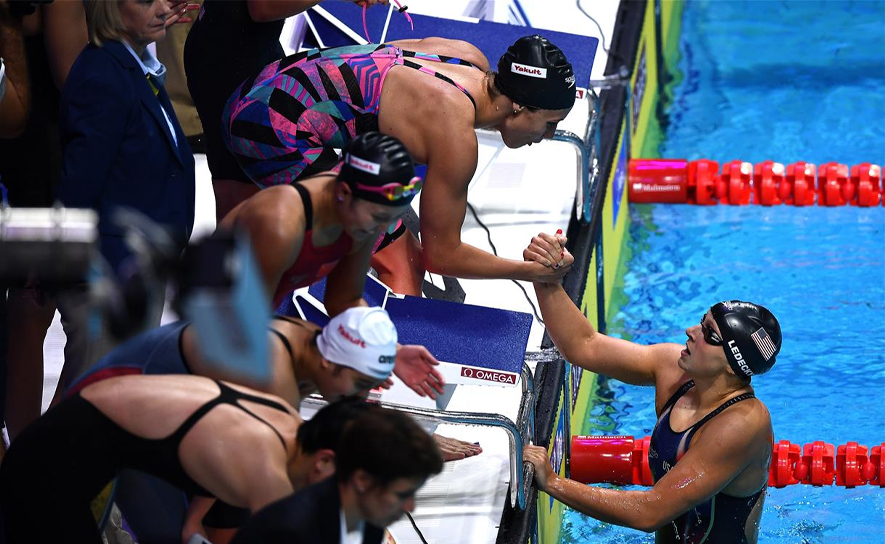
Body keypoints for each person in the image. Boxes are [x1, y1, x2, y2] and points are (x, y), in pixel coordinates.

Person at [224, 35, 577, 294]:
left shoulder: (468, 58)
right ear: (519, 106)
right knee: (403, 265)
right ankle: (379, 388)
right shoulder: (454, 135)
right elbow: (441, 256)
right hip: (272, 131)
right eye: (549, 123)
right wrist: (528, 271)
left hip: (258, 85)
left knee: (384, 218)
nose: (548, 135)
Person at [521, 233, 782, 544]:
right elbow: (585, 346)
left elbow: (649, 513)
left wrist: (553, 483)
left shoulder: (743, 424)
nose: (691, 331)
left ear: (732, 363)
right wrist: (545, 277)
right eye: (702, 321)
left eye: (708, 333)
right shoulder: (674, 368)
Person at [0, 375, 388, 543]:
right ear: (325, 462)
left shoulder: (283, 422)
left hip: (77, 450)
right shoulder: (263, 472)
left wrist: (193, 521)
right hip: (46, 475)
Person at [218, 131, 454, 402]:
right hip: (211, 331)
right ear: (343, 193)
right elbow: (236, 327)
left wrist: (388, 351)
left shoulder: (358, 211)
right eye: (378, 218)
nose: (380, 230)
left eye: (388, 219)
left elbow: (344, 300)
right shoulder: (280, 224)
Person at [53, 0, 196, 395]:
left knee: (99, 400)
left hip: (132, 272)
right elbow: (81, 184)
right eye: (147, 0)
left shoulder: (135, 68)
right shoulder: (104, 74)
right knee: (92, 402)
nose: (164, 7)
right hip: (108, 276)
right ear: (110, 8)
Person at [184, 0, 388, 221]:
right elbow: (263, 7)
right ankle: (228, 253)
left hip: (249, 43)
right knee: (243, 197)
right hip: (229, 54)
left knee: (254, 192)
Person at [231, 402, 443, 544]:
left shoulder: (370, 521)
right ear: (362, 480)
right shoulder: (287, 532)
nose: (410, 507)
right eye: (402, 495)